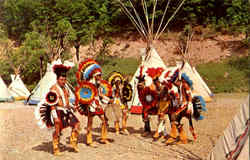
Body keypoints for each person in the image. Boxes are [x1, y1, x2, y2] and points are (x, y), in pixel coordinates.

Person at [50, 64, 81, 155]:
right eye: (61, 79)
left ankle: (73, 142)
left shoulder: (65, 88)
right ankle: (56, 148)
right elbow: (51, 104)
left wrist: (71, 106)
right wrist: (55, 117)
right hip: (57, 111)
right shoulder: (53, 89)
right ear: (57, 79)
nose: (63, 81)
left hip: (66, 110)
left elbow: (66, 100)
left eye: (64, 80)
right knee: (57, 130)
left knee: (76, 124)